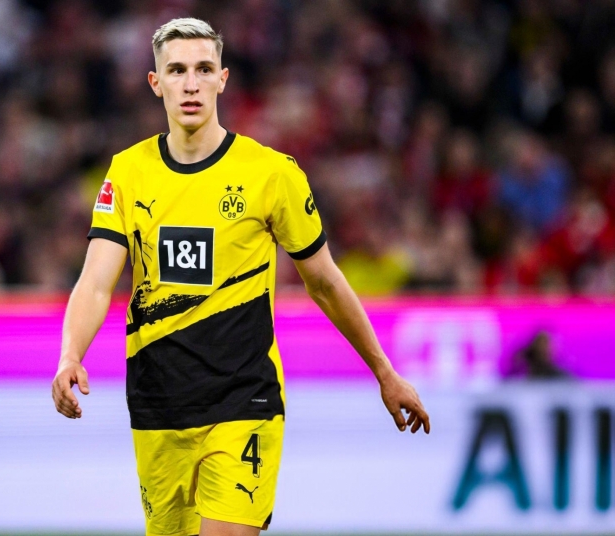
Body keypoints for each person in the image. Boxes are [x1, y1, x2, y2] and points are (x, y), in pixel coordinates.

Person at [52, 18, 430, 536]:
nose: (191, 84)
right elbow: (96, 281)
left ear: (222, 79)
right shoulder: (127, 173)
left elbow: (325, 282)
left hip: (243, 400)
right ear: (156, 82)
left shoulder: (271, 174)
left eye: (203, 69)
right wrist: (70, 355)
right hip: (158, 406)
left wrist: (384, 372)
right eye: (177, 71)